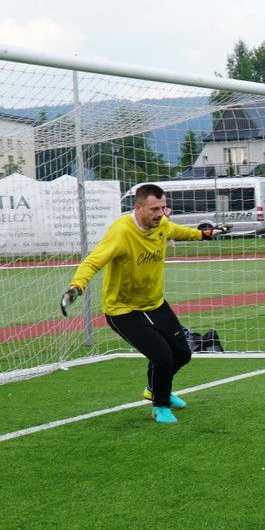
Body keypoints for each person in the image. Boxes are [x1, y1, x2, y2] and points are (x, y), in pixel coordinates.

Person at [63, 182, 225, 424]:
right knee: (163, 357)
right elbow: (93, 262)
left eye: (163, 208)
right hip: (123, 310)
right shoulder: (121, 232)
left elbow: (177, 231)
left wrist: (203, 234)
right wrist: (77, 286)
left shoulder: (162, 224)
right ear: (138, 208)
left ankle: (154, 389)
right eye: (154, 209)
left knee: (182, 354)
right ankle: (160, 406)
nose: (160, 214)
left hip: (154, 304)